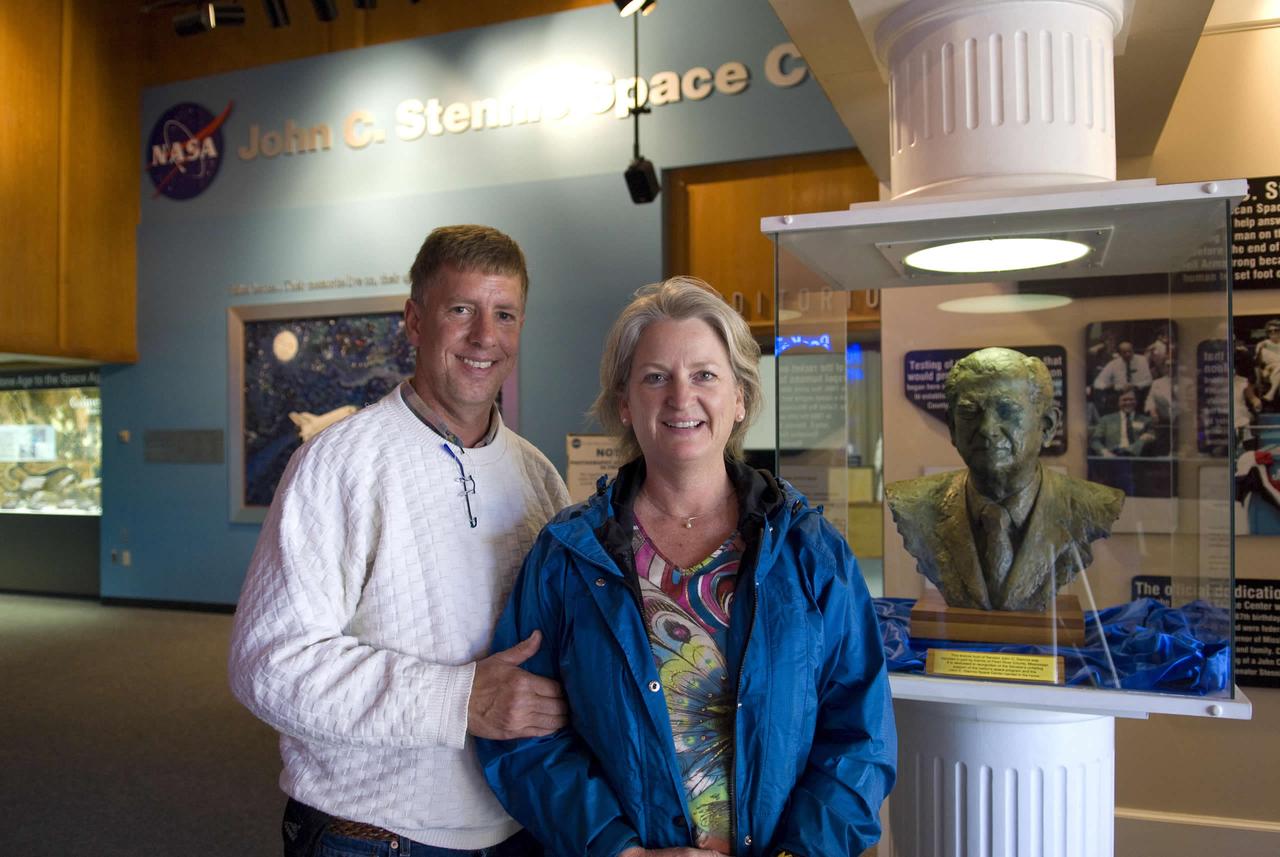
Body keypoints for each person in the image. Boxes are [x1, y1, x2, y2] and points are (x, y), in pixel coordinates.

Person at [477, 277, 896, 856]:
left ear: (741, 396)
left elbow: (860, 740)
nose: (681, 397)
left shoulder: (811, 552)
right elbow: (525, 743)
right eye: (655, 377)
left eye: (704, 375)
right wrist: (619, 852)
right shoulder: (567, 555)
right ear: (624, 402)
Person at [229, 225, 571, 857]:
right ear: (415, 321)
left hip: (520, 824)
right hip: (374, 836)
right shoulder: (338, 464)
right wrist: (458, 699)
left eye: (504, 315)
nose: (484, 338)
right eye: (461, 310)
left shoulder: (539, 476)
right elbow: (268, 664)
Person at [887, 348, 1123, 612]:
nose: (987, 428)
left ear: (1046, 427)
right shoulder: (913, 504)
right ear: (952, 427)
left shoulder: (1093, 506)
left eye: (1007, 411)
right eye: (969, 412)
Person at [1090, 387, 1157, 458]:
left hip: (1136, 459)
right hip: (1113, 457)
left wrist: (1148, 437)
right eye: (1124, 400)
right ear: (1118, 402)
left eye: (1131, 399)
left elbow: (1152, 436)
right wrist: (1104, 452)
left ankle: (1128, 451)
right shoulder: (1106, 420)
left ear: (1136, 401)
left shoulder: (1146, 420)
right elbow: (1095, 440)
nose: (1128, 402)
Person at [1092, 340, 1152, 409]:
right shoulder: (1113, 364)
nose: (1128, 354)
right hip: (1119, 393)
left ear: (1133, 350)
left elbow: (1149, 380)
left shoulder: (1142, 360)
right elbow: (1097, 383)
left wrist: (1135, 386)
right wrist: (1110, 386)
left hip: (1138, 392)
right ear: (1119, 353)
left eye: (1130, 351)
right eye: (1124, 352)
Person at [1255, 319, 1280, 402]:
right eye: (1270, 331)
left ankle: (1271, 393)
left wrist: (1273, 365)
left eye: (1276, 330)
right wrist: (1268, 367)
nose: (1273, 332)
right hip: (1267, 372)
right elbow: (1257, 362)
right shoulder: (1262, 345)